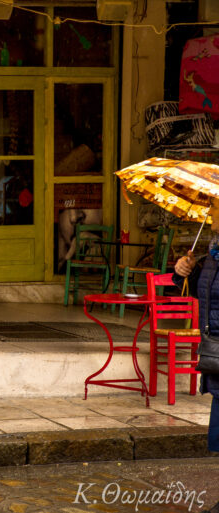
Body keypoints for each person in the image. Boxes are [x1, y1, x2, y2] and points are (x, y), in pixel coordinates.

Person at [173, 199, 219, 513]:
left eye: (217, 208)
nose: (212, 214)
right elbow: (201, 294)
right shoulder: (213, 254)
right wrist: (184, 271)